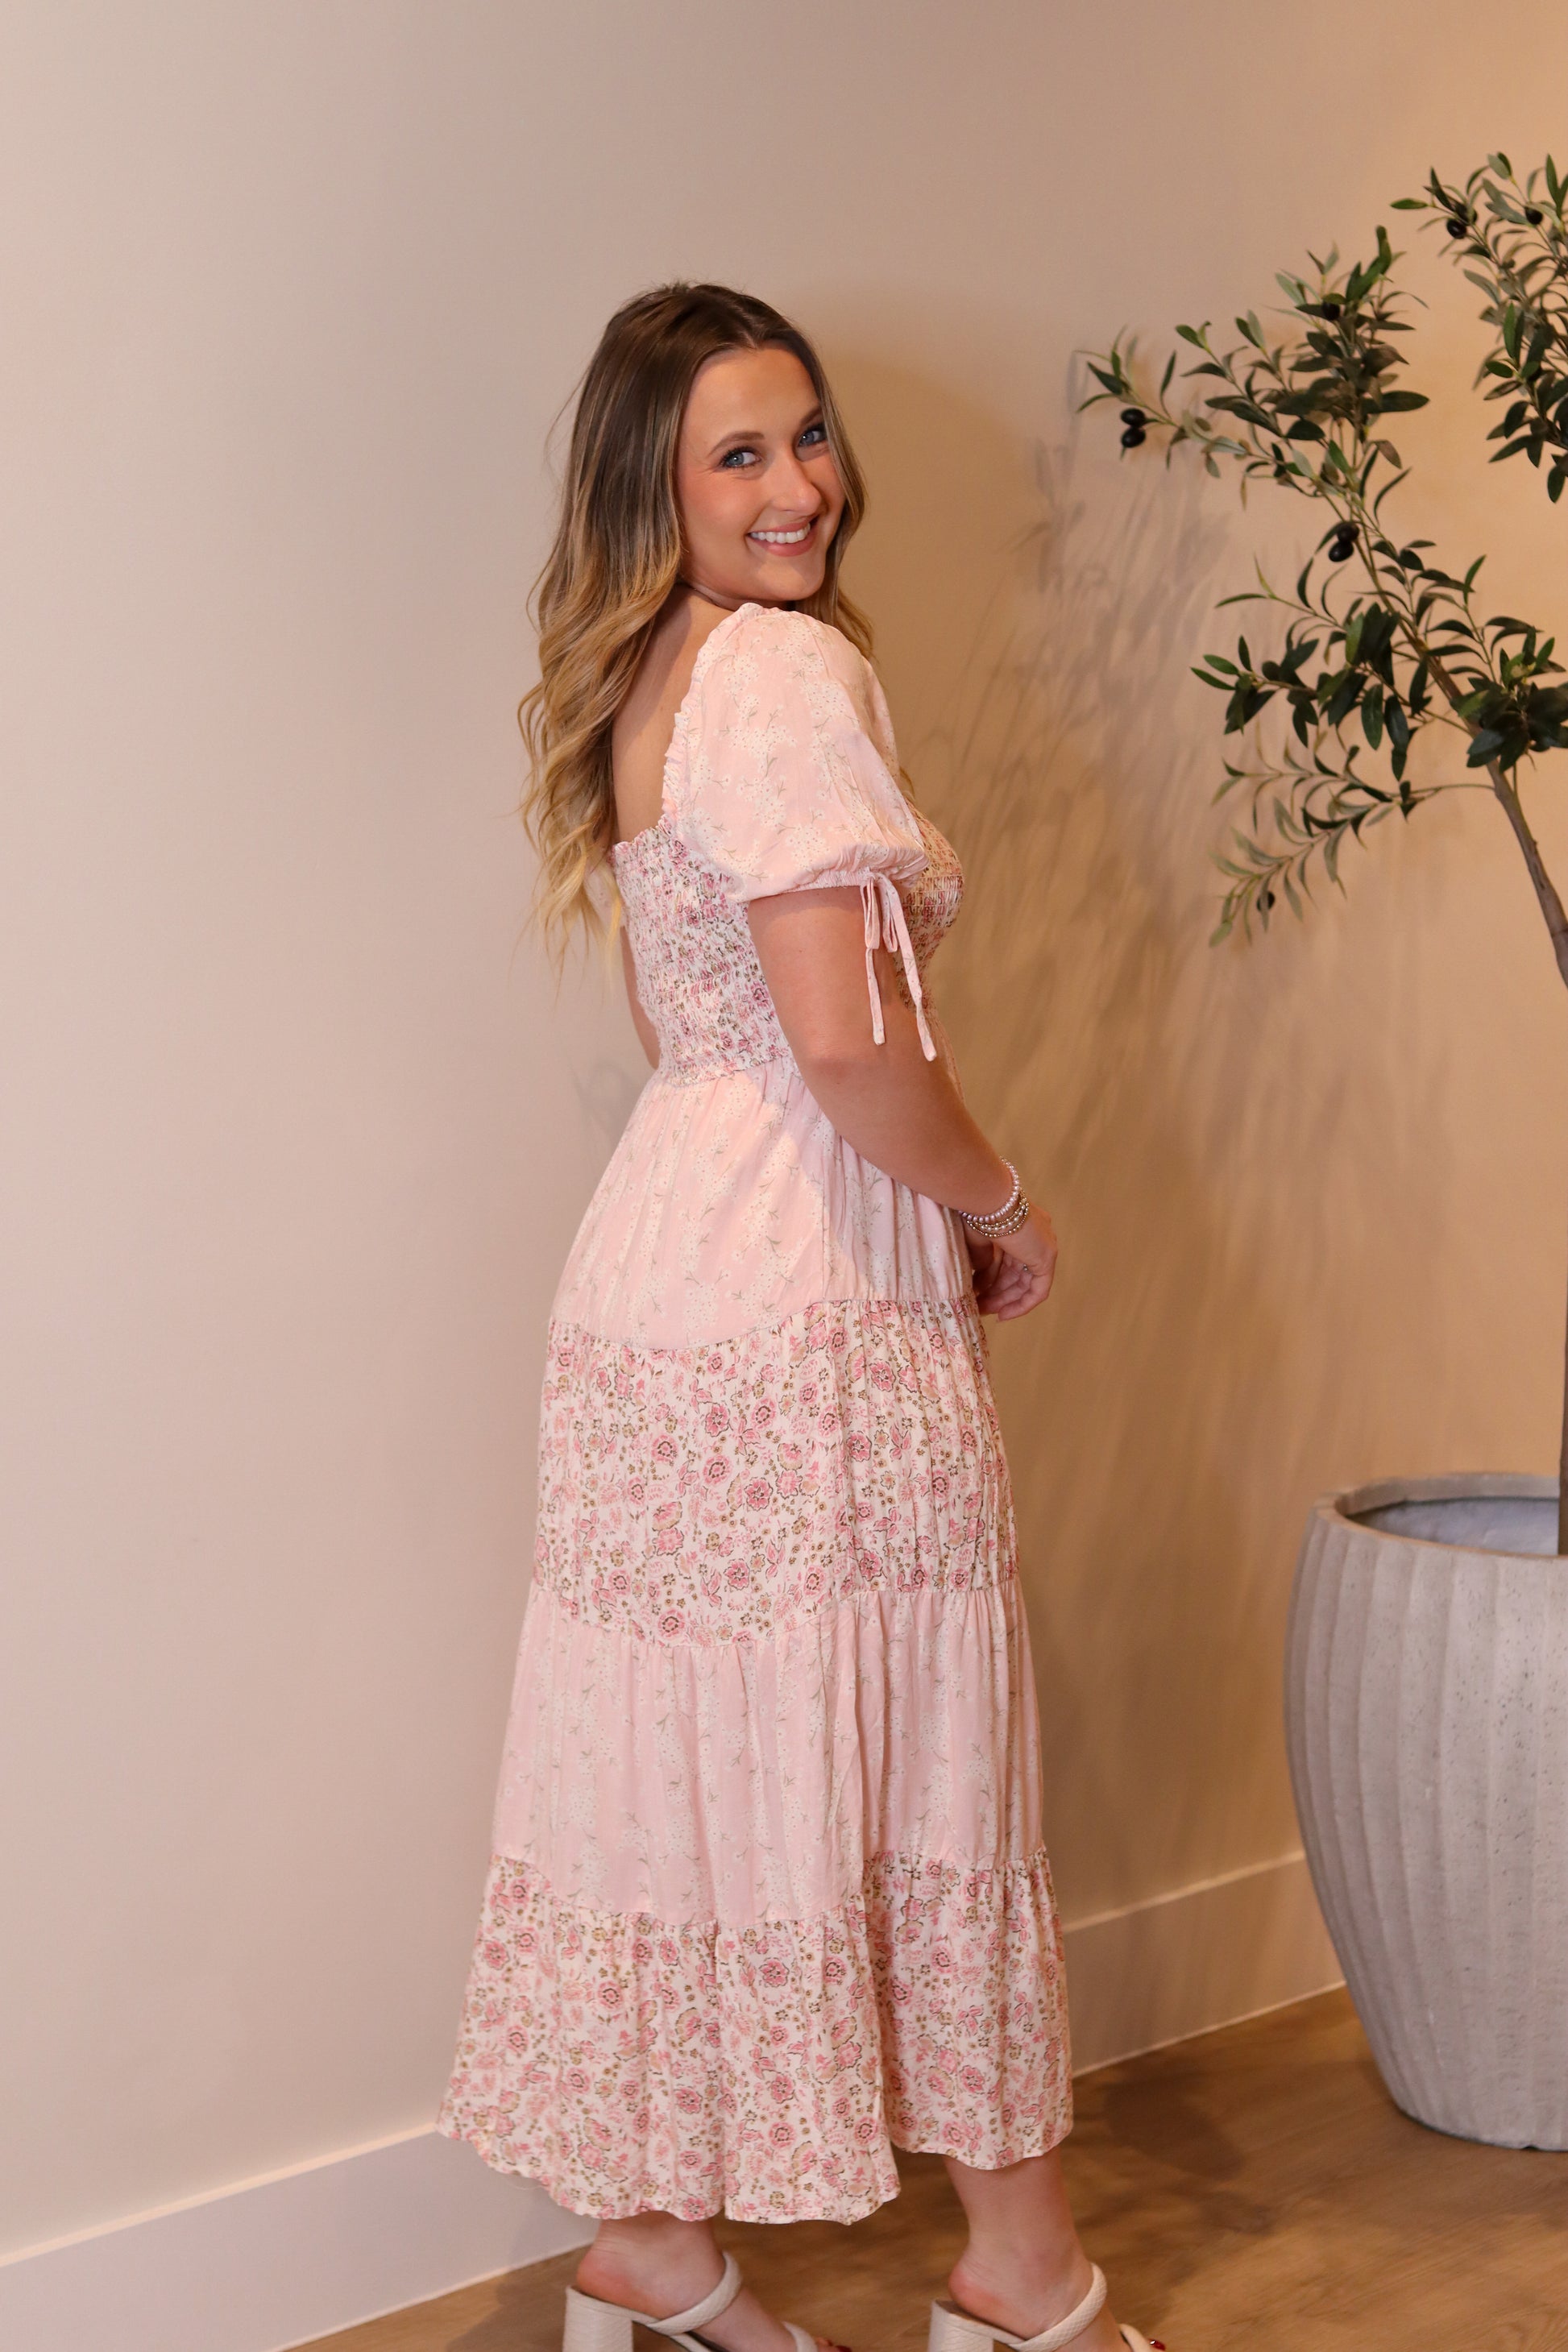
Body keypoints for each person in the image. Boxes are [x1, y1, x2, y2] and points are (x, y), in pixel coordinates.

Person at [438, 283, 1160, 2352]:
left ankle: (655, 2258)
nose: (797, 486)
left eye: (809, 434)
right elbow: (842, 1045)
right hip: (805, 1287)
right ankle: (1023, 2284)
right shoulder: (785, 670)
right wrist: (1000, 1205)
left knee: (694, 1764)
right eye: (737, 453)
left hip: (660, 1277)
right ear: (654, 489)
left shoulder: (655, 678)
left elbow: (703, 1015)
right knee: (921, 1757)